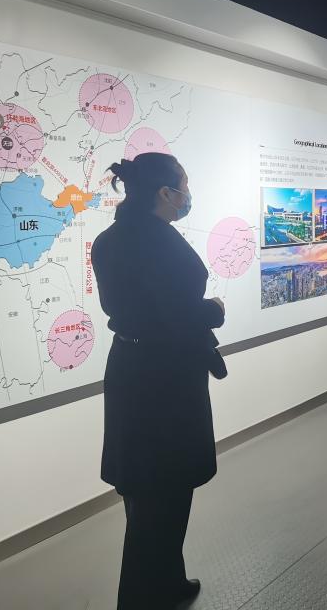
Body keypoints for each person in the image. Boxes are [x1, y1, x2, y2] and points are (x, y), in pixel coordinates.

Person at [92, 153, 228, 610]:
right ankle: (140, 599)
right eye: (184, 185)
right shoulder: (160, 244)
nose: (188, 194)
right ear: (166, 193)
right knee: (165, 494)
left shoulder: (109, 240)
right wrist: (212, 311)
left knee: (144, 490)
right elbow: (172, 315)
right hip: (166, 377)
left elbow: (140, 309)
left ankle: (169, 581)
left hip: (131, 369)